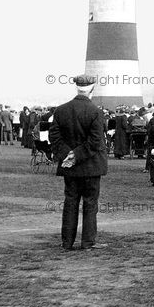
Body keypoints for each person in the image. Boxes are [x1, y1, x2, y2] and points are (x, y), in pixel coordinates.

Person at [48, 75, 108, 251]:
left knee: (70, 202)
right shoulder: (96, 111)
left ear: (77, 88)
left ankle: (67, 241)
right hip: (90, 166)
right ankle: (88, 242)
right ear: (92, 89)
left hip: (70, 167)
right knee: (90, 204)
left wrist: (69, 155)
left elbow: (54, 137)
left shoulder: (60, 110)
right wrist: (77, 154)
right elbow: (96, 141)